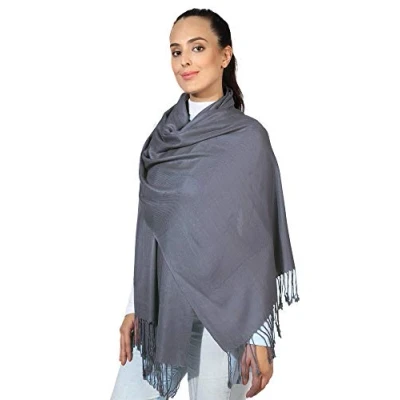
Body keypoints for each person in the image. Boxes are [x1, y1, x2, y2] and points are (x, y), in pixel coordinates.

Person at [110, 8, 299, 400]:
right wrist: (135, 305)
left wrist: (260, 335)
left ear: (224, 55)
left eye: (197, 48)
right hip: (163, 307)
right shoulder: (162, 137)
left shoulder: (248, 139)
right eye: (176, 51)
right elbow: (155, 230)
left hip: (226, 315)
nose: (185, 61)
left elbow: (257, 244)